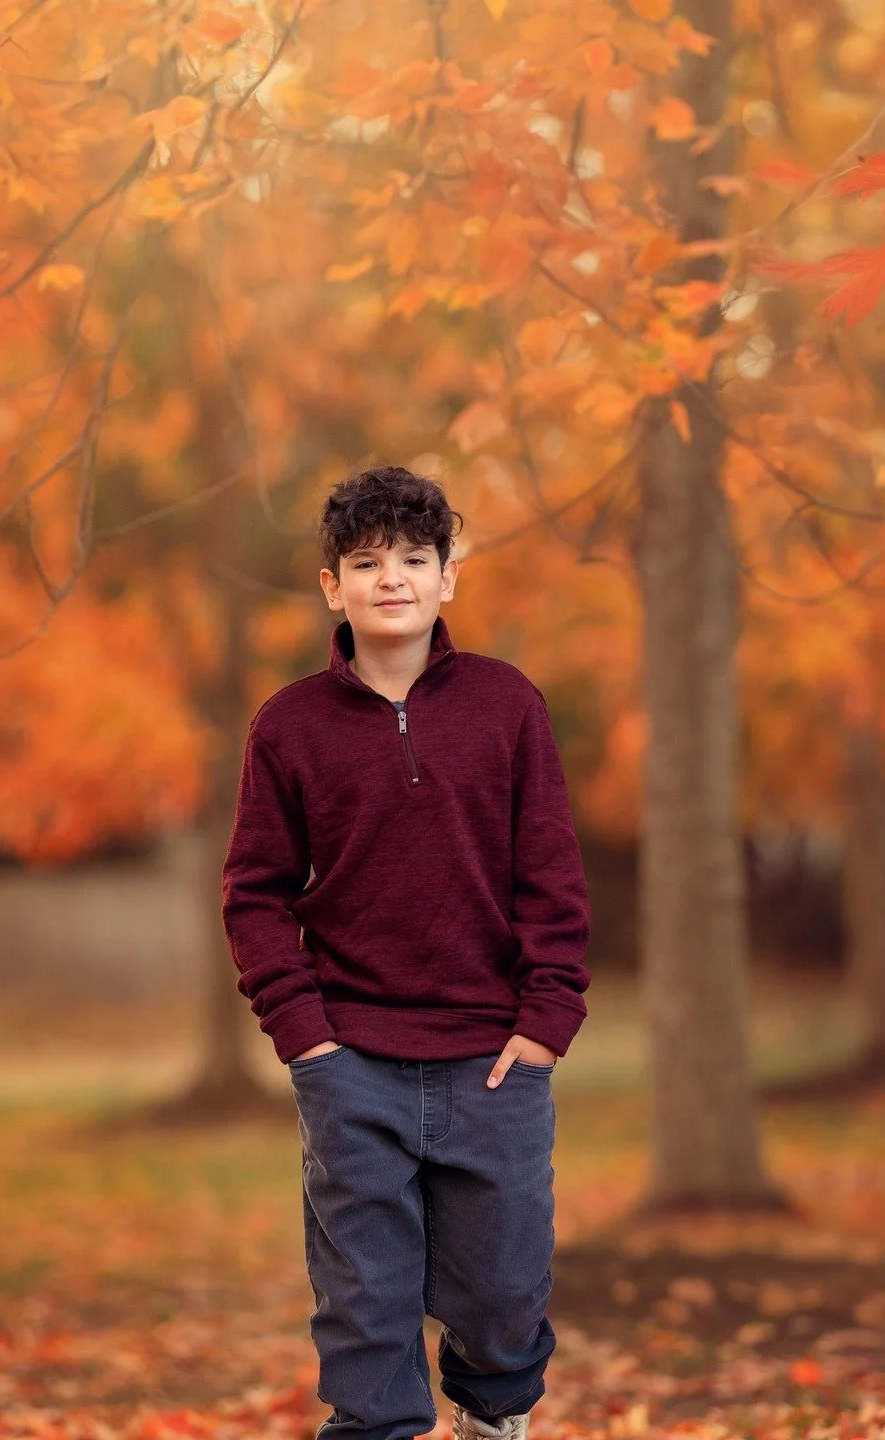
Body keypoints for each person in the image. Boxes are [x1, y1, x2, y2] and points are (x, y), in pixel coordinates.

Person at [221, 464, 592, 1440]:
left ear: (448, 579)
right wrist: (306, 1040)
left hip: (495, 1066)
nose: (393, 579)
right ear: (330, 586)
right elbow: (253, 894)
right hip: (353, 1068)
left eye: (415, 560)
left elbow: (551, 876)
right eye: (367, 561)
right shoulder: (288, 728)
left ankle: (491, 1418)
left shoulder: (510, 706)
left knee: (504, 1302)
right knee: (367, 1315)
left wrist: (548, 1024)